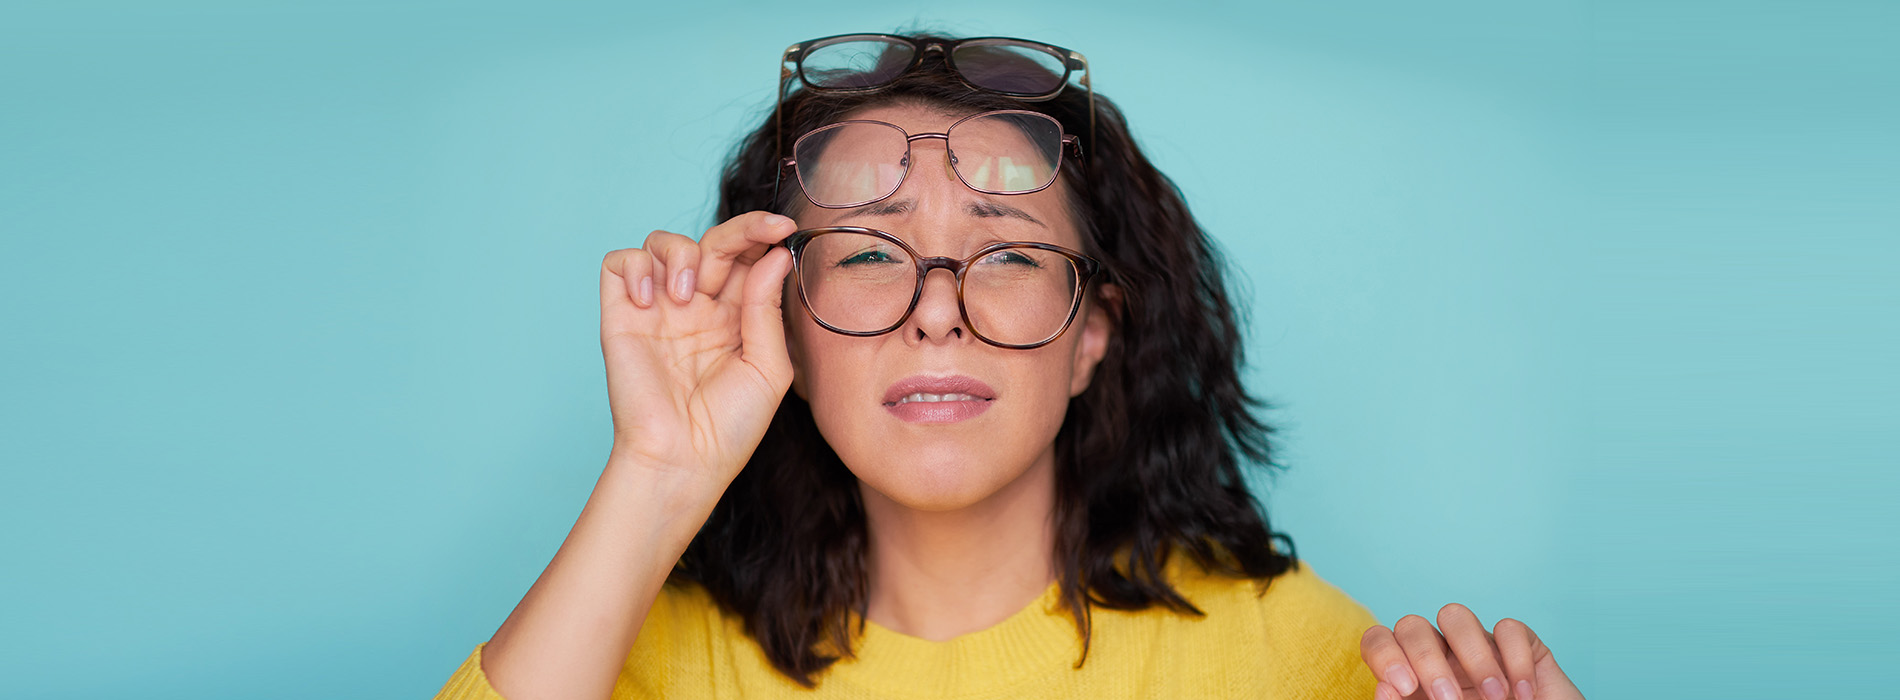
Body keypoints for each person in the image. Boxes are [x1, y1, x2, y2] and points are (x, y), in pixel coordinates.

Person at [434, 32, 1584, 700]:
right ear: (774, 321)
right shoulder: (647, 654)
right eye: (873, 250)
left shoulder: (1289, 651)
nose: (938, 313)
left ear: (1095, 332)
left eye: (1009, 253)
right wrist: (660, 465)